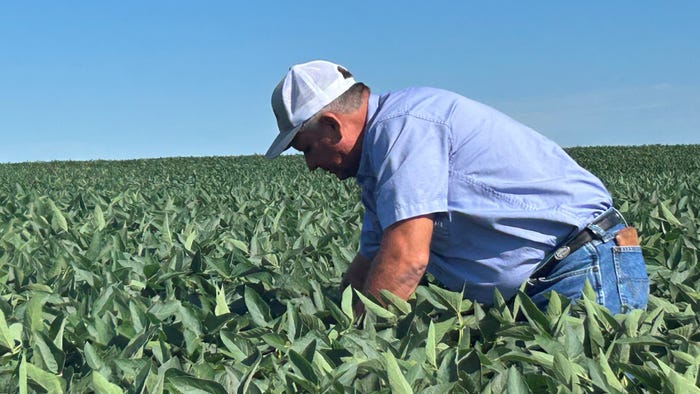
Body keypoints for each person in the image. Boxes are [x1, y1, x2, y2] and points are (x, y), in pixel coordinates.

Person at [265, 60, 649, 314]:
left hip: (580, 269)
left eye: (307, 148)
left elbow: (406, 258)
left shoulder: (403, 127)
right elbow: (370, 263)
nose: (310, 165)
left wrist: (353, 348)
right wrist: (331, 321)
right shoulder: (378, 164)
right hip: (545, 284)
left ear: (332, 126)